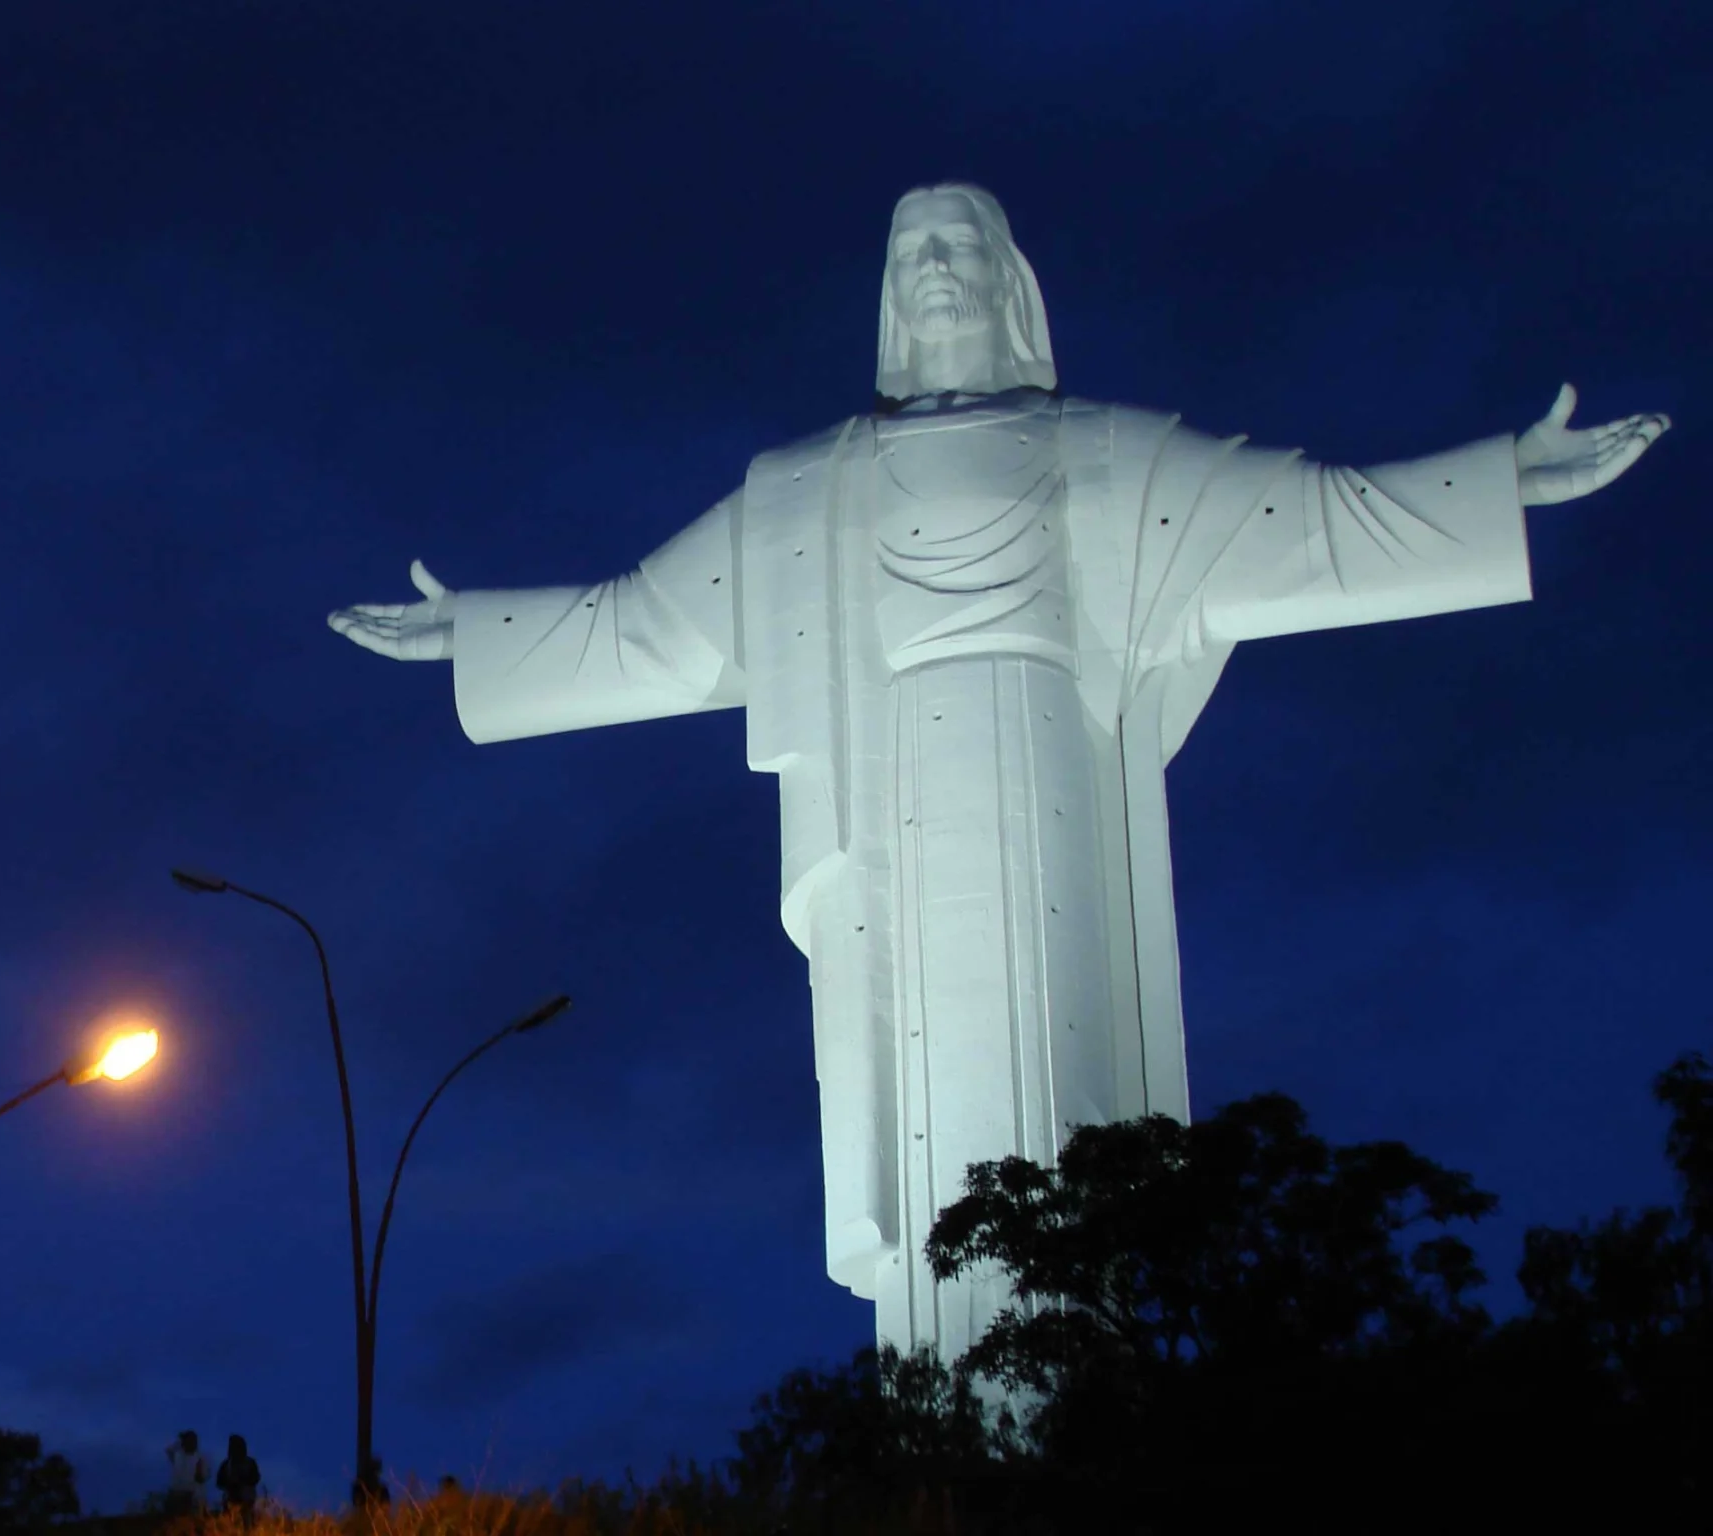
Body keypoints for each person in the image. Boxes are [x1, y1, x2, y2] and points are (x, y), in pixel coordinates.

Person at [328, 180, 1671, 1364]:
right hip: (893, 828)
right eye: (907, 243)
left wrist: (1496, 482)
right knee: (936, 1170)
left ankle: (1077, 1432)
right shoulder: (807, 492)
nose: (929, 259)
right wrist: (478, 632)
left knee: (1068, 1146)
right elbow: (640, 621)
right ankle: (943, 1447)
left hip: (1047, 799)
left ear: (1010, 280)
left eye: (956, 237)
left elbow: (1315, 517)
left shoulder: (1100, 452)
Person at [164, 1430, 209, 1516]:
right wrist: (180, 1440)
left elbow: (203, 1478)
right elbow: (168, 1449)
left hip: (192, 1496)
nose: (191, 1443)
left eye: (193, 1441)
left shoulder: (200, 1458)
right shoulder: (178, 1455)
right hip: (176, 1494)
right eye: (188, 1440)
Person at [214, 1434, 261, 1513]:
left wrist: (241, 1481)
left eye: (237, 1446)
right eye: (232, 1447)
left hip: (246, 1501)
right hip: (230, 1500)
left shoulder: (250, 1463)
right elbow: (219, 1482)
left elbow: (255, 1479)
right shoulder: (226, 1464)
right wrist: (230, 1484)